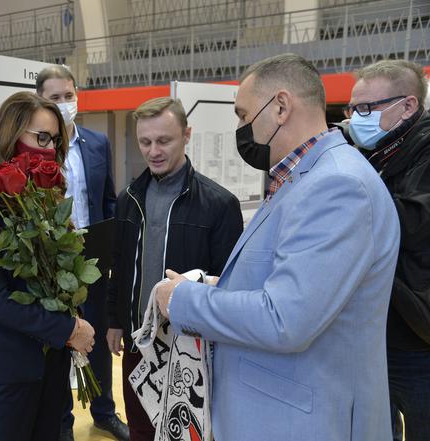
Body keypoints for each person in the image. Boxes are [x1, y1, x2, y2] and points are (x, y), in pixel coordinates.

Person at [155, 53, 401, 441]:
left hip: (301, 420)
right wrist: (221, 287)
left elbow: (286, 319)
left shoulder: (337, 186)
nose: (240, 126)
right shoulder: (302, 176)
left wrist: (184, 300)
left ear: (281, 107)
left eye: (243, 114)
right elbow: (297, 284)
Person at [0, 91, 96, 441]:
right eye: (41, 137)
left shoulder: (46, 200)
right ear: (10, 134)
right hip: (1, 366)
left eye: (55, 142)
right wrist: (67, 329)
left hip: (48, 363)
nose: (49, 150)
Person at [106, 97, 243, 441]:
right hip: (139, 344)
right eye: (145, 142)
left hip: (189, 350)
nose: (153, 151)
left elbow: (230, 287)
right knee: (140, 430)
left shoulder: (219, 205)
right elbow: (119, 267)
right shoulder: (128, 199)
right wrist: (114, 320)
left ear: (186, 135)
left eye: (164, 140)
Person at [35, 65, 126, 441]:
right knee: (60, 343)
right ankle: (62, 424)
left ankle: (104, 412)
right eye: (54, 97)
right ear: (39, 100)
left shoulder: (97, 143)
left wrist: (111, 255)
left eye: (68, 95)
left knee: (100, 340)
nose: (63, 103)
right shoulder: (34, 149)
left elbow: (106, 201)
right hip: (51, 267)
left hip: (93, 263)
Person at [346, 59, 430, 441]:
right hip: (376, 332)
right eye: (352, 109)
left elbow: (411, 225)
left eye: (367, 108)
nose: (355, 118)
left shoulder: (424, 153)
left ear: (408, 106)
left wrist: (347, 188)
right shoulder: (380, 153)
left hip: (417, 337)